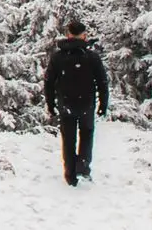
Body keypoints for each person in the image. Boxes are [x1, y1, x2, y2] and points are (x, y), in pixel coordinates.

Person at [42, 17, 108, 185]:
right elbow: (102, 82)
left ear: (68, 35)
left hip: (66, 104)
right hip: (87, 103)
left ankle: (70, 174)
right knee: (86, 134)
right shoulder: (92, 57)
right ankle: (83, 167)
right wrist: (103, 104)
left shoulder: (58, 57)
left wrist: (50, 104)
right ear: (84, 36)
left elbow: (49, 82)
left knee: (68, 139)